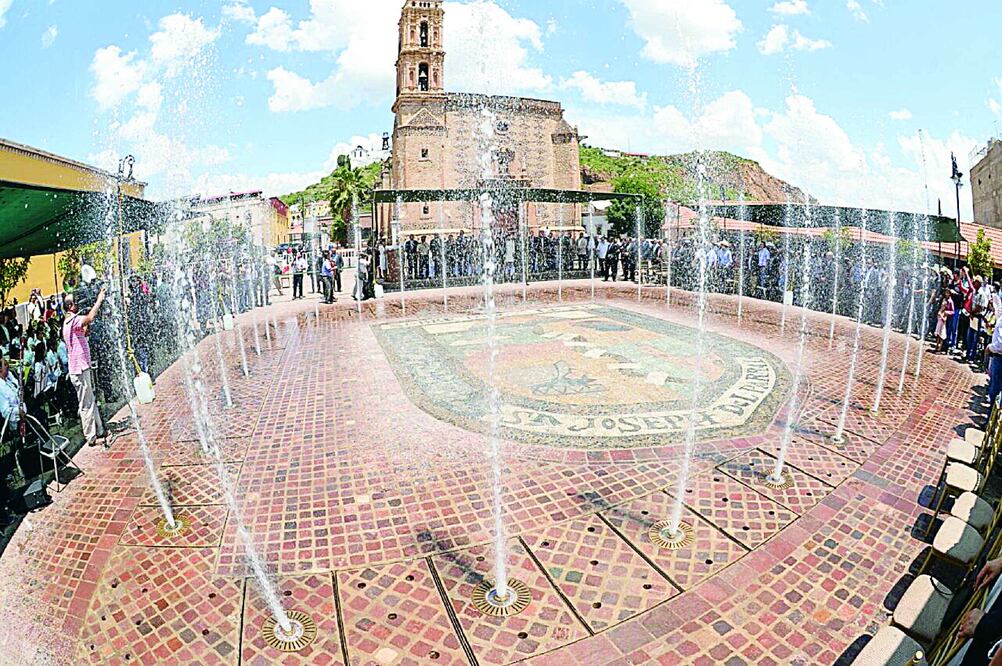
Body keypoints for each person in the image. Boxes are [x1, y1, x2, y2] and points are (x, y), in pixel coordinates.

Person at [62, 289, 107, 447]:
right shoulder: (72, 321)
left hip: (81, 368)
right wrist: (99, 300)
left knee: (90, 399)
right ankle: (90, 436)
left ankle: (99, 429)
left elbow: (83, 332)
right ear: (71, 306)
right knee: (85, 403)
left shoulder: (68, 323)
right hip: (79, 370)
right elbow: (89, 318)